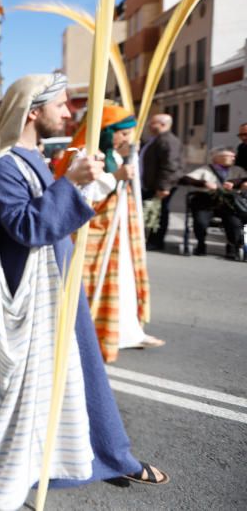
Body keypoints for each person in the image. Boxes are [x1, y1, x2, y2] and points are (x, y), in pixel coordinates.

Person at [0, 74, 167, 511]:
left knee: (78, 377)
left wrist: (82, 181)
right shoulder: (4, 164)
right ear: (33, 113)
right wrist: (70, 182)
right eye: (61, 105)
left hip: (57, 286)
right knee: (42, 385)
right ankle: (74, 459)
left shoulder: (33, 156)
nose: (69, 112)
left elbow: (56, 213)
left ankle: (105, 453)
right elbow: (28, 227)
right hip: (31, 298)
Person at [58, 105, 163, 363]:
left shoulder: (113, 154)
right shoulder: (83, 154)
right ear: (106, 130)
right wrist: (116, 176)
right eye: (122, 133)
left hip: (117, 233)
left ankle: (126, 332)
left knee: (124, 282)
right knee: (94, 285)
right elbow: (83, 193)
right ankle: (90, 338)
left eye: (129, 134)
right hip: (94, 234)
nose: (127, 139)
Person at [181, 147, 247, 260]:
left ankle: (232, 247)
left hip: (230, 203)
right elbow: (185, 179)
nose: (233, 158)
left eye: (233, 156)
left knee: (235, 223)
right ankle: (201, 244)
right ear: (217, 158)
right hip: (206, 202)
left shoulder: (238, 170)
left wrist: (235, 183)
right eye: (229, 156)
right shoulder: (205, 169)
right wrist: (204, 183)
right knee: (200, 222)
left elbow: (244, 179)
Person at [139, 113, 182, 250]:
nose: (149, 126)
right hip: (151, 184)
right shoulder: (156, 139)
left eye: (153, 123)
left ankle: (156, 241)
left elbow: (170, 165)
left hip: (160, 186)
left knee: (158, 214)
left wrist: (163, 187)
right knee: (151, 213)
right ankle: (149, 239)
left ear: (162, 125)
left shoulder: (167, 140)